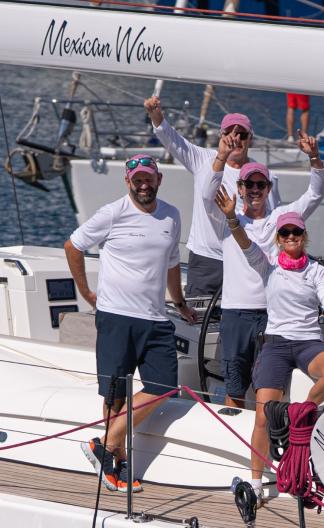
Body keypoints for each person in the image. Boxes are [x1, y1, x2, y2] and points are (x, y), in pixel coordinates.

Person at [67, 155, 198, 493]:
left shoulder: (171, 215)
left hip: (156, 318)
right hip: (117, 316)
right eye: (137, 179)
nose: (143, 184)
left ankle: (105, 445)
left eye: (148, 178)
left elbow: (171, 264)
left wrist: (180, 303)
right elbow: (74, 245)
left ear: (158, 180)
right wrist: (86, 292)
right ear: (128, 181)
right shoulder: (113, 213)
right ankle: (115, 462)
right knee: (113, 396)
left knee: (164, 387)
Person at [215, 196, 324, 504]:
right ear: (278, 238)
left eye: (296, 234)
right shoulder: (267, 264)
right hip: (275, 343)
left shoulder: (316, 271)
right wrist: (232, 217)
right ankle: (256, 480)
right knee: (262, 414)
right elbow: (244, 241)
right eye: (285, 234)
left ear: (304, 237)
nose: (290, 238)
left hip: (308, 343)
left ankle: (297, 412)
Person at [202, 130, 324, 408]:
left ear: (269, 189)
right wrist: (221, 157)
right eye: (250, 184)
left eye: (261, 185)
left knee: (269, 391)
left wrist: (315, 157)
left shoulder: (282, 219)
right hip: (236, 314)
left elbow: (317, 193)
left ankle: (268, 442)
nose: (255, 190)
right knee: (235, 388)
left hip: (274, 318)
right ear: (241, 188)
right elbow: (207, 194)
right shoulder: (226, 219)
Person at [145, 97, 279, 298]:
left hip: (243, 259)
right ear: (221, 136)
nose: (236, 139)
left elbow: (273, 220)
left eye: (242, 134)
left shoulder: (263, 176)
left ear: (250, 138)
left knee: (239, 320)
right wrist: (156, 116)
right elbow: (171, 139)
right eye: (229, 134)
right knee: (199, 322)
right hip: (206, 258)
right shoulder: (202, 159)